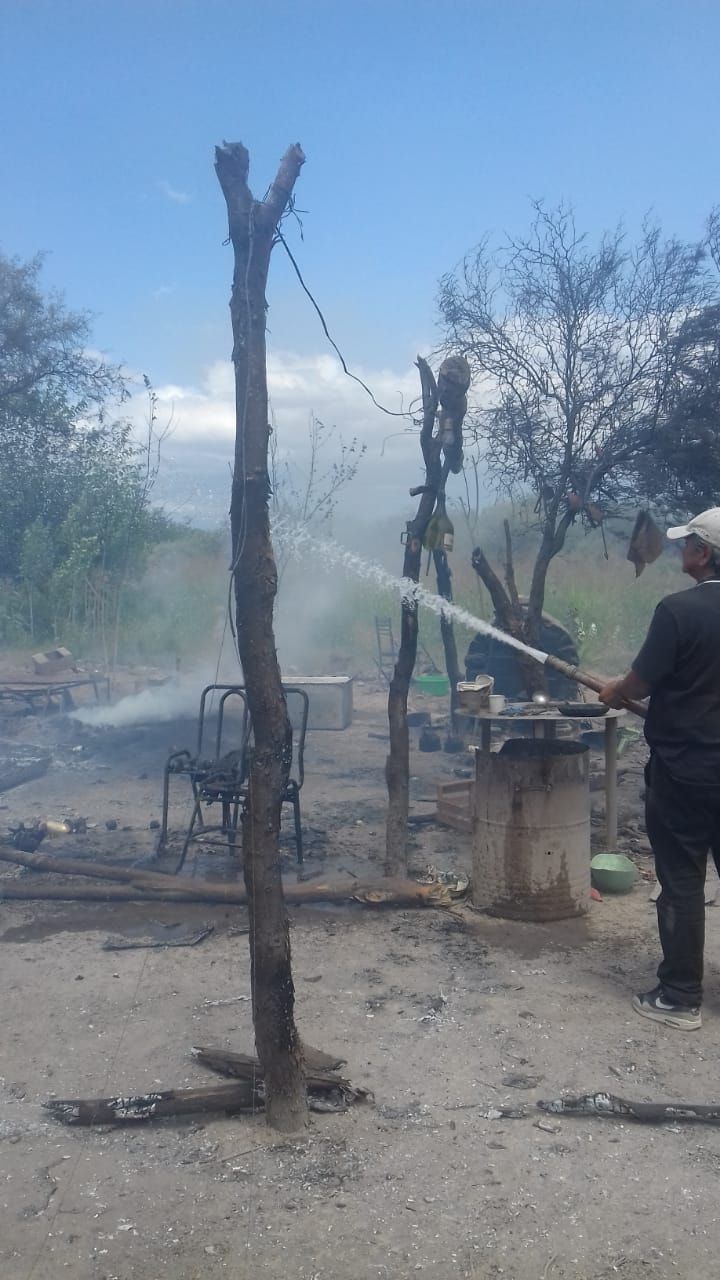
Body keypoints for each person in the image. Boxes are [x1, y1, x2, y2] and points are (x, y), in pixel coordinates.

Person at [599, 508, 720, 1032]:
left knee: (683, 880)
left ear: (704, 553)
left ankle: (679, 997)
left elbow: (639, 684)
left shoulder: (678, 610)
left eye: (686, 542)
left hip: (685, 769)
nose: (679, 550)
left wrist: (615, 690)